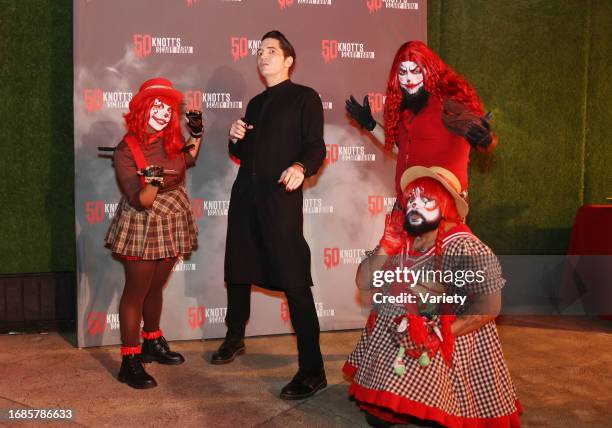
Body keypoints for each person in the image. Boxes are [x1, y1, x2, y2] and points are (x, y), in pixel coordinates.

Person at [344, 166, 522, 427]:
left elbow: (490, 306)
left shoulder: (464, 246)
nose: (415, 206)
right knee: (377, 421)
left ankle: (438, 397)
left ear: (447, 205)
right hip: (397, 341)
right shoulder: (402, 238)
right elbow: (363, 281)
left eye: (427, 200)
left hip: (447, 343)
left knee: (439, 417)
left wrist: (437, 334)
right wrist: (385, 245)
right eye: (412, 200)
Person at [212, 30, 327, 400]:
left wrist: (300, 166)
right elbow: (245, 152)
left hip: (280, 197)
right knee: (239, 267)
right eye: (260, 51)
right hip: (246, 196)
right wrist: (234, 137)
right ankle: (234, 337)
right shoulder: (256, 104)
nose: (263, 56)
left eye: (272, 51)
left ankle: (313, 370)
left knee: (294, 277)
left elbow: (316, 147)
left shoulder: (304, 97)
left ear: (289, 60)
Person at [105, 77, 203, 389]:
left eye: (168, 109)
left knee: (156, 287)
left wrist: (196, 133)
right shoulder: (126, 149)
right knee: (137, 291)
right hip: (143, 219)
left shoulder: (171, 139)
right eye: (157, 106)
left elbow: (187, 158)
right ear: (143, 109)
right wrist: (152, 183)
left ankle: (152, 340)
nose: (162, 113)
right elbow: (142, 200)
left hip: (173, 216)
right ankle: (129, 360)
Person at [346, 41, 497, 198]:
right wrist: (370, 124)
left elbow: (472, 127)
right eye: (403, 72)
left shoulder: (449, 102)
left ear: (428, 70)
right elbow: (402, 150)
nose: (409, 79)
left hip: (442, 210)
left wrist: (484, 138)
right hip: (406, 207)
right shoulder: (405, 107)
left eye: (415, 70)